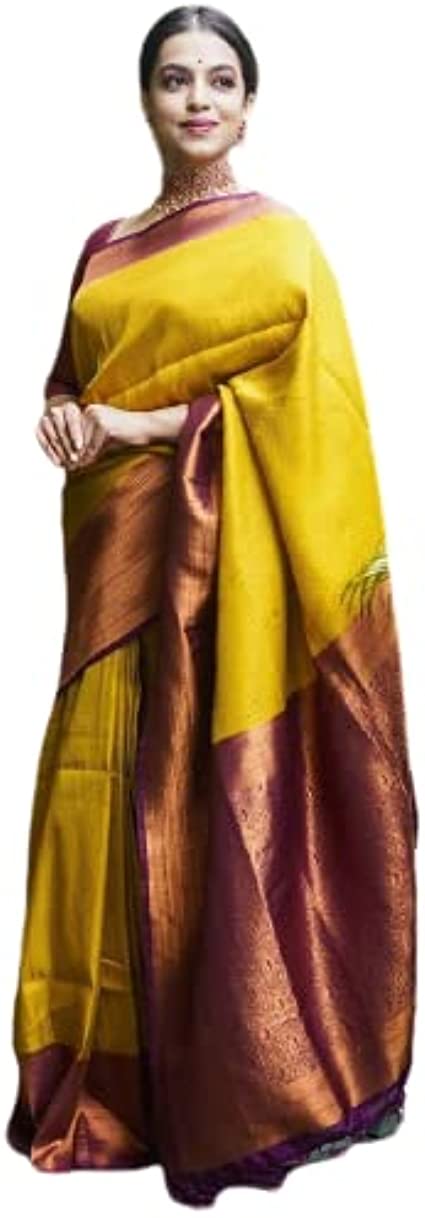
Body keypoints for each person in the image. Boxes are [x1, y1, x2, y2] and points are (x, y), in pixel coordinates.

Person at [5, 4, 419, 1208]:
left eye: (220, 80)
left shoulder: (278, 244)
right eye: (175, 79)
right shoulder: (102, 246)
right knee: (99, 805)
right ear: (144, 98)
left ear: (247, 103)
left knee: (206, 806)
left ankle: (236, 1084)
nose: (196, 100)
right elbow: (74, 382)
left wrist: (132, 423)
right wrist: (68, 419)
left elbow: (305, 418)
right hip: (114, 569)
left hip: (228, 580)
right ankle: (106, 1088)